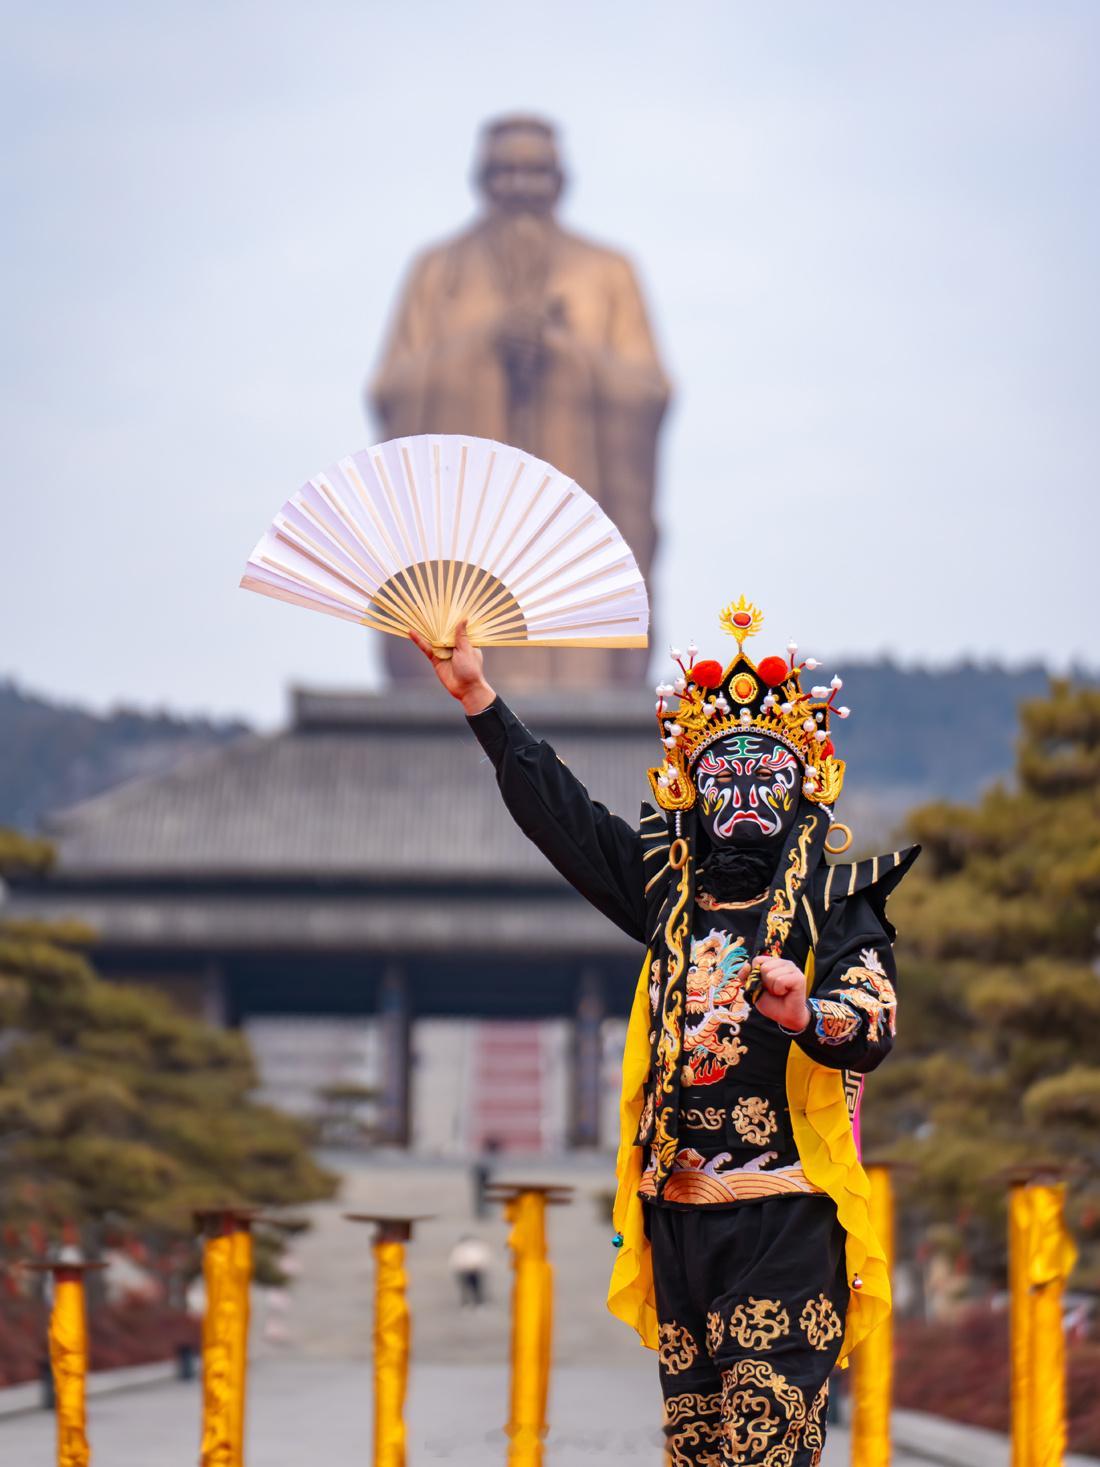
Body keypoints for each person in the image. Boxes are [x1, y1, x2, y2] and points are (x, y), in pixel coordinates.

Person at [410, 597, 918, 1466]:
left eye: (768, 774)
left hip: (785, 1220)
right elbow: (564, 820)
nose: (747, 793)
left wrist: (803, 1014)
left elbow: (870, 1020)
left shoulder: (837, 906)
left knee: (765, 1452)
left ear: (803, 785)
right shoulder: (670, 904)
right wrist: (479, 699)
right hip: (679, 1220)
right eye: (727, 775)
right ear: (692, 788)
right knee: (696, 1455)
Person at [372, 114, 669, 689]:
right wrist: (482, 347)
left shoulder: (608, 271)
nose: (519, 187)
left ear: (560, 180)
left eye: (534, 172)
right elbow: (394, 388)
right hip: (466, 512)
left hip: (575, 511)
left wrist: (563, 353)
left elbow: (649, 390)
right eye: (505, 171)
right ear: (482, 180)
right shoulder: (437, 270)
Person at [449, 1234, 491, 1309]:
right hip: (467, 1271)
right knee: (468, 1288)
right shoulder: (462, 1248)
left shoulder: (465, 1248)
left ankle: (476, 1303)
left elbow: (455, 1260)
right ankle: (468, 1303)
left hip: (474, 1271)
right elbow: (456, 1260)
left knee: (475, 1288)